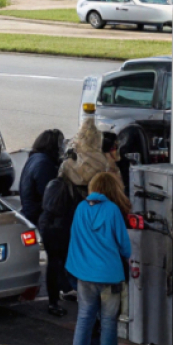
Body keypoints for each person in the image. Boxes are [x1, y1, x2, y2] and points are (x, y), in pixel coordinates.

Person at [39, 118, 111, 317]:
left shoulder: (69, 159)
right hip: (72, 218)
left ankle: (55, 300)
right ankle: (83, 300)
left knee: (55, 261)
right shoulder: (99, 163)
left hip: (53, 217)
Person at [66, 172, 132, 345]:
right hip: (109, 276)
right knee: (108, 322)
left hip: (84, 274)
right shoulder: (113, 210)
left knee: (84, 318)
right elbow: (125, 246)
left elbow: (75, 238)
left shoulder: (80, 208)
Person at [19, 129, 65, 226]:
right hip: (37, 216)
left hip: (30, 212)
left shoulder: (35, 158)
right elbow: (49, 195)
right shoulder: (44, 164)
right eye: (60, 146)